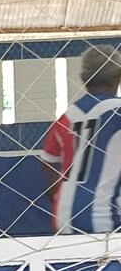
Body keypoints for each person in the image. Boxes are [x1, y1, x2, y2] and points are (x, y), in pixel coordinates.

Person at [41, 44, 121, 233]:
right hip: (107, 217)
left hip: (64, 217)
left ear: (84, 78)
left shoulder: (67, 116)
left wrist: (59, 196)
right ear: (118, 76)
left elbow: (47, 164)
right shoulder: (117, 113)